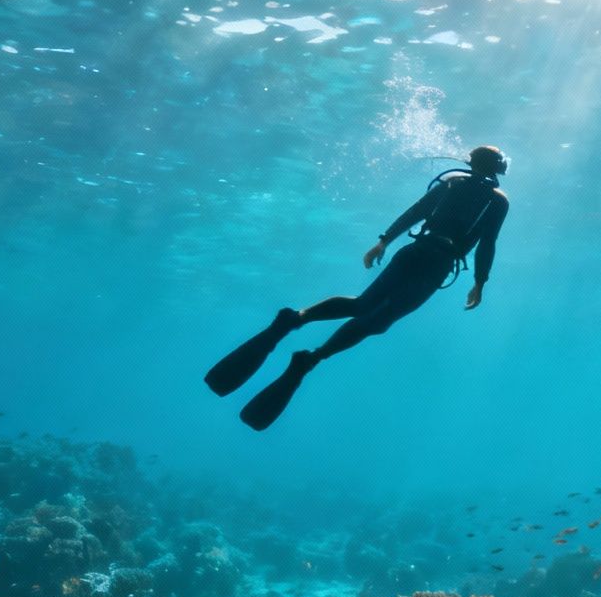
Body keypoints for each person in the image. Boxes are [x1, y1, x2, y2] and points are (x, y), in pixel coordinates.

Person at [205, 145, 511, 430]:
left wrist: (384, 241)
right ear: (497, 170)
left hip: (415, 252)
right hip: (437, 264)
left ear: (471, 162)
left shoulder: (452, 183)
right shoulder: (497, 200)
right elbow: (487, 243)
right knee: (378, 320)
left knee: (363, 305)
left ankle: (296, 319)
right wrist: (479, 282)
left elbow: (415, 212)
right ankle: (312, 358)